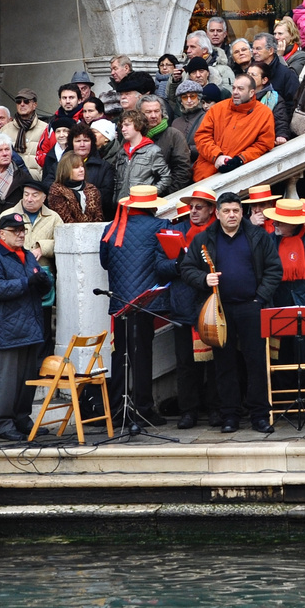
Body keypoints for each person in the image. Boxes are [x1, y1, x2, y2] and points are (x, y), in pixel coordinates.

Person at [176, 191, 281, 434]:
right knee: (224, 364)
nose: (231, 215)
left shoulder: (257, 236)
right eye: (226, 211)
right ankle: (230, 416)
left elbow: (274, 269)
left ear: (242, 212)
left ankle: (260, 416)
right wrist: (205, 278)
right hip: (219, 310)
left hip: (250, 307)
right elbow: (187, 268)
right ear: (218, 213)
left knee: (256, 362)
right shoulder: (204, 238)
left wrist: (260, 298)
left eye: (235, 210)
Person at [98, 185, 178, 424]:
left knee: (120, 355)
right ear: (152, 205)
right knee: (142, 355)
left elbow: (104, 263)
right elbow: (164, 263)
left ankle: (117, 408)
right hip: (145, 302)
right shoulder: (159, 226)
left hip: (120, 303)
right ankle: (143, 407)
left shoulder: (110, 227)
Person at [0, 212, 49, 442]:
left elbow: (39, 286)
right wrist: (27, 282)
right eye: (15, 231)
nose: (20, 235)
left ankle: (21, 418)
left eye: (22, 231)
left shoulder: (27, 255)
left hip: (30, 323)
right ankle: (3, 423)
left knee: (27, 376)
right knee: (9, 379)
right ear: (2, 233)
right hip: (8, 326)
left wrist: (43, 281)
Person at [164, 188, 220, 428]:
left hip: (213, 306)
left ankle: (216, 409)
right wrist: (179, 261)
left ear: (210, 209)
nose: (194, 211)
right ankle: (189, 411)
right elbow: (160, 266)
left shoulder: (220, 233)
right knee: (186, 363)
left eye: (199, 207)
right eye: (191, 207)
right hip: (184, 306)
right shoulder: (176, 231)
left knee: (216, 362)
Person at [192, 73, 276, 181]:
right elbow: (202, 136)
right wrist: (216, 156)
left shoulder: (264, 114)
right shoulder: (217, 109)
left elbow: (264, 144)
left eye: (240, 89)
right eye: (234, 88)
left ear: (251, 93)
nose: (235, 92)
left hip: (239, 174)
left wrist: (241, 159)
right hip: (206, 173)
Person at [139, 94, 192, 192]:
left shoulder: (174, 135)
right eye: (148, 112)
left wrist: (167, 194)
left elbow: (182, 170)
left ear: (162, 113)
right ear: (139, 114)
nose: (153, 116)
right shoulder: (134, 135)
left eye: (157, 111)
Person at [116, 108, 170, 195]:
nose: (123, 129)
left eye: (127, 125)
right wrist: (115, 200)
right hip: (122, 204)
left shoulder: (152, 151)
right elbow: (117, 180)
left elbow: (166, 178)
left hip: (142, 205)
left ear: (139, 125)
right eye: (122, 126)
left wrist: (149, 195)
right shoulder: (122, 152)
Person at [48, 154, 105, 224]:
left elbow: (99, 217)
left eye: (82, 166)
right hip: (69, 232)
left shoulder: (92, 189)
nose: (81, 170)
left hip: (93, 232)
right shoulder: (57, 191)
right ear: (65, 170)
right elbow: (64, 219)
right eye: (76, 167)